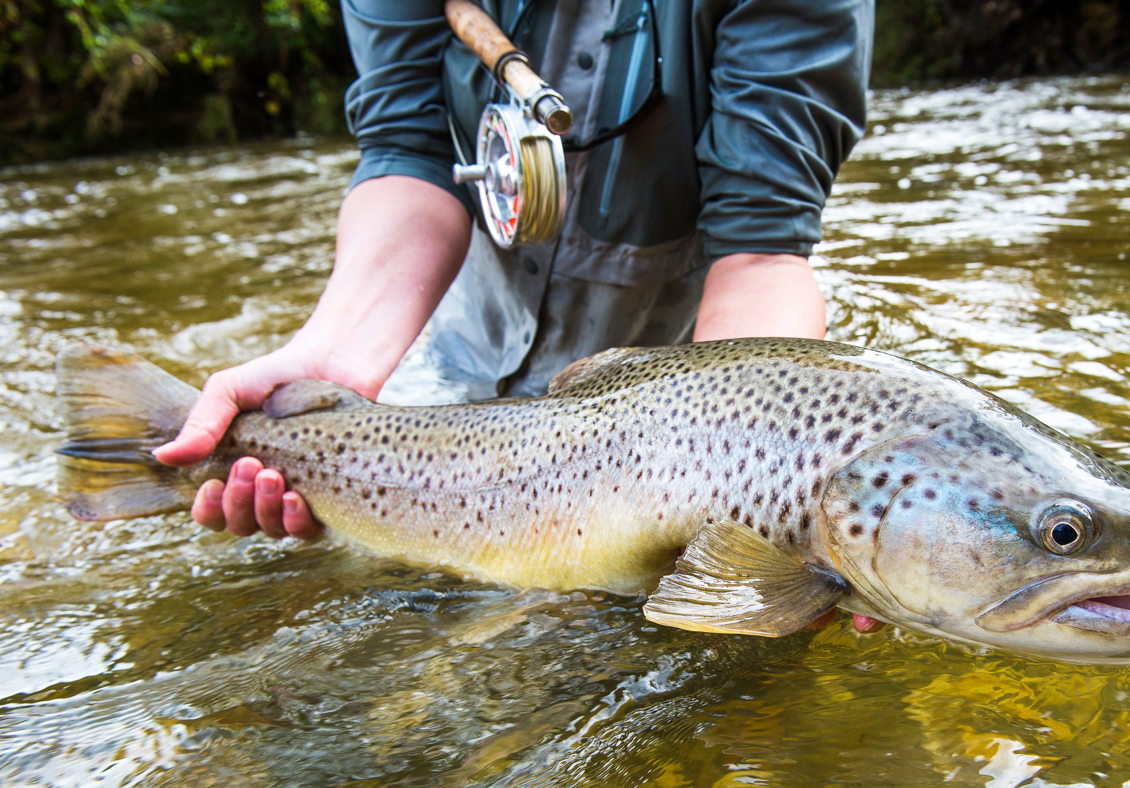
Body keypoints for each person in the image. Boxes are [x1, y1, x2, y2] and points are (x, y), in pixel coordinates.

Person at [153, 0, 872, 543]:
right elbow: (409, 150)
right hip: (452, 355)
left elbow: (760, 248)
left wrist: (761, 484)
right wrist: (333, 359)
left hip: (668, 411)